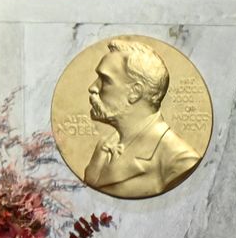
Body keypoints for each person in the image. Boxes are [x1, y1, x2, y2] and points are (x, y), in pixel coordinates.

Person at [83, 39, 201, 199]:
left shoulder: (179, 161)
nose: (93, 87)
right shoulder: (104, 148)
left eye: (104, 80)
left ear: (135, 92)